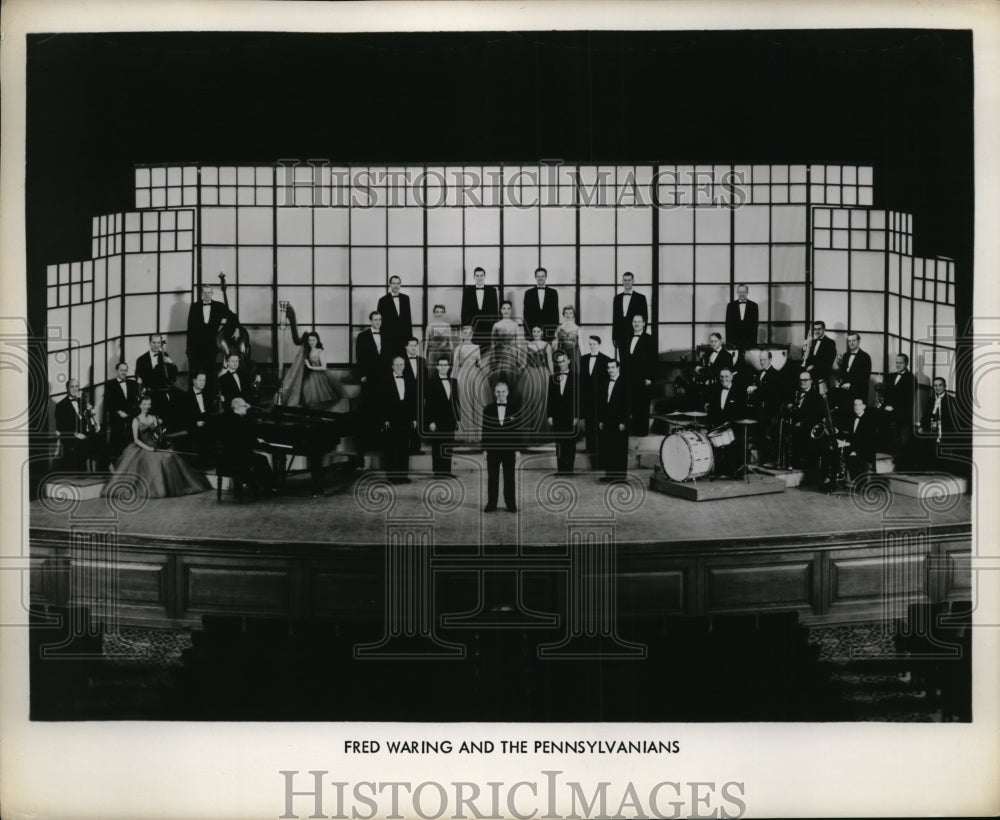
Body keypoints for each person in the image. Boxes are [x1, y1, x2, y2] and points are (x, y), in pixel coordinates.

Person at [104, 395, 209, 498]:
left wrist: (160, 431)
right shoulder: (136, 420)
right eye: (144, 404)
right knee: (153, 461)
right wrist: (148, 448)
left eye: (149, 404)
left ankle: (169, 487)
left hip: (156, 445)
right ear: (140, 405)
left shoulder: (154, 418)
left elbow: (159, 434)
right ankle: (158, 489)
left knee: (170, 456)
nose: (147, 407)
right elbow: (136, 439)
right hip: (143, 447)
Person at [221, 397, 275, 495]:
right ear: (236, 408)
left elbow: (244, 438)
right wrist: (257, 441)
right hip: (239, 456)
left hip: (229, 456)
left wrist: (253, 440)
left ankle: (255, 486)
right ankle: (268, 488)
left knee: (257, 459)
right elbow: (245, 439)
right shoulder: (239, 421)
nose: (246, 408)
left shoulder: (230, 419)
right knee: (262, 459)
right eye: (244, 406)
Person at [481, 381, 519, 512]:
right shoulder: (488, 409)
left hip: (509, 449)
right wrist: (484, 449)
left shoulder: (515, 408)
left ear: (507, 393)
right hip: (493, 449)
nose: (501, 394)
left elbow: (518, 430)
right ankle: (492, 504)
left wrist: (518, 449)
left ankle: (511, 504)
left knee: (510, 478)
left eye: (503, 391)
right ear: (494, 393)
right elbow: (484, 430)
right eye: (498, 392)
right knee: (492, 478)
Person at [279, 330, 341, 409]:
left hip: (320, 377)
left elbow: (324, 367)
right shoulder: (306, 351)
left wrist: (310, 367)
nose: (311, 342)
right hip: (309, 376)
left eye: (313, 340)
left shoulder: (320, 351)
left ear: (317, 340)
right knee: (306, 394)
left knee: (319, 399)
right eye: (309, 340)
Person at [744, 350, 786, 467]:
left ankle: (772, 460)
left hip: (771, 412)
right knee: (760, 435)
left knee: (771, 436)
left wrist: (756, 390)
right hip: (759, 411)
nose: (762, 362)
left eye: (764, 359)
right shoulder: (758, 374)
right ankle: (762, 460)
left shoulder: (777, 375)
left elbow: (774, 394)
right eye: (760, 360)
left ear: (770, 360)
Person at [355, 311, 386, 463]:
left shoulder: (387, 334)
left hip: (384, 379)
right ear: (370, 321)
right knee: (368, 410)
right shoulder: (362, 336)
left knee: (382, 409)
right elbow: (359, 357)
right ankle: (365, 445)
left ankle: (380, 444)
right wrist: (362, 375)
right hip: (369, 378)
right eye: (375, 319)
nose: (378, 322)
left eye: (380, 319)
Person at [380, 356, 417, 484]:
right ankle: (392, 476)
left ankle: (403, 476)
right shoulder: (385, 380)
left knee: (403, 447)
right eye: (397, 365)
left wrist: (414, 418)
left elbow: (413, 401)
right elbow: (382, 402)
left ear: (405, 366)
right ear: (392, 366)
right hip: (391, 418)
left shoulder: (409, 380)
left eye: (402, 364)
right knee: (392, 447)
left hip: (405, 417)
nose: (400, 367)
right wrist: (385, 419)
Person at [186, 284, 228, 391]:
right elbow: (190, 328)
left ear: (212, 293)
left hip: (212, 346)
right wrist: (188, 347)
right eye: (205, 292)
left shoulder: (219, 306)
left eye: (209, 292)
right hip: (197, 347)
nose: (207, 295)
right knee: (197, 373)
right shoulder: (194, 306)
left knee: (210, 374)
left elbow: (231, 317)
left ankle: (209, 396)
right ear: (201, 294)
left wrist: (236, 328)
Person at [423, 355, 459, 478]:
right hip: (437, 420)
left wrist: (458, 419)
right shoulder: (432, 382)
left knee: (448, 446)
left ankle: (447, 471)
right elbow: (428, 404)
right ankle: (438, 472)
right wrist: (430, 421)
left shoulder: (454, 382)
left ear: (448, 367)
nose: (443, 367)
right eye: (441, 365)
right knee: (437, 446)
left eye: (445, 365)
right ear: (438, 367)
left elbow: (456, 402)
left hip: (450, 420)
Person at [705, 368, 744, 477]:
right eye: (721, 377)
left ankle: (732, 471)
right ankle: (718, 470)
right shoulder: (715, 389)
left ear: (731, 377)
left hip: (733, 428)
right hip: (718, 426)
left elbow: (741, 411)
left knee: (732, 449)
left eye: (726, 376)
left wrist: (729, 424)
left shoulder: (739, 391)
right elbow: (713, 409)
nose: (724, 379)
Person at [579, 335, 612, 464]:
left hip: (599, 399)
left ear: (599, 344)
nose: (592, 346)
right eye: (590, 344)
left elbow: (606, 381)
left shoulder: (605, 359)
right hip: (587, 398)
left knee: (600, 424)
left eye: (594, 344)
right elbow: (582, 379)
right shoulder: (583, 359)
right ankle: (590, 449)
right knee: (589, 424)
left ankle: (601, 452)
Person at [55, 379, 101, 472]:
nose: (74, 389)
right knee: (83, 445)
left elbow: (89, 421)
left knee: (100, 439)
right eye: (72, 386)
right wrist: (76, 434)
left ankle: (107, 469)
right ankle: (81, 473)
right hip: (71, 436)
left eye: (76, 386)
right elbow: (61, 427)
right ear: (67, 388)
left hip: (84, 434)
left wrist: (91, 414)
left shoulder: (83, 402)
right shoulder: (60, 405)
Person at [788, 371, 826, 485]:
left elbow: (816, 416)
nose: (802, 382)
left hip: (808, 429)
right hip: (795, 427)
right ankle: (792, 465)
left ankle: (809, 477)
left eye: (805, 380)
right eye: (801, 380)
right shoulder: (796, 393)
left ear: (810, 381)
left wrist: (803, 423)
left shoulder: (816, 397)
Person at [620, 314, 655, 435]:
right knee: (630, 403)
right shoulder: (627, 337)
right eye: (634, 322)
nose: (636, 324)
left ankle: (642, 431)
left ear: (644, 323)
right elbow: (624, 358)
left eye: (639, 322)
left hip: (643, 377)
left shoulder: (649, 339)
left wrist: (649, 377)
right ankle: (632, 429)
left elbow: (653, 360)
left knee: (643, 404)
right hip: (628, 377)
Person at [880, 353, 916, 470]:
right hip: (889, 414)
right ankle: (888, 465)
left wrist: (893, 407)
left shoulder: (911, 378)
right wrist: (884, 405)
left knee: (902, 442)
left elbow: (908, 400)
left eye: (901, 363)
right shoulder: (890, 377)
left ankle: (900, 467)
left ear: (906, 363)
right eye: (896, 362)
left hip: (903, 415)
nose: (898, 365)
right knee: (889, 439)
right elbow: (885, 395)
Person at [598, 360, 630, 482]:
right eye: (608, 368)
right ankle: (609, 475)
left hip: (619, 422)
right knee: (608, 447)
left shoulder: (625, 382)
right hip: (607, 420)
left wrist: (624, 422)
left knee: (620, 448)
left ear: (618, 368)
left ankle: (621, 477)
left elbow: (627, 404)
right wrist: (601, 420)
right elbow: (602, 403)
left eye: (613, 367)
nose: (610, 370)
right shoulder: (605, 382)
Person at [135, 334, 179, 420]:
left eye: (159, 343)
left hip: (164, 391)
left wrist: (171, 363)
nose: (156, 345)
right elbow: (138, 378)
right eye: (154, 342)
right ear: (150, 343)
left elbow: (173, 377)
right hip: (150, 392)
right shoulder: (141, 359)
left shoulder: (164, 355)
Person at [547, 350, 577, 474]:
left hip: (570, 416)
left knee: (570, 443)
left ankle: (569, 469)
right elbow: (550, 398)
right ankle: (561, 469)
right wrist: (549, 415)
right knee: (559, 443)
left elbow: (578, 399)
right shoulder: (553, 378)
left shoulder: (576, 377)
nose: (561, 364)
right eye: (559, 362)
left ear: (568, 361)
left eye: (563, 361)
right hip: (557, 416)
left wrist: (577, 416)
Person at [918, 376, 957, 470]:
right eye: (935, 385)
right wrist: (922, 426)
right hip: (932, 429)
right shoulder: (931, 399)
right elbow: (926, 416)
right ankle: (927, 468)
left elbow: (953, 420)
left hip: (946, 430)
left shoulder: (951, 400)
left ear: (945, 386)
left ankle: (941, 468)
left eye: (940, 385)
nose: (937, 388)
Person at [453, 325, 483, 443]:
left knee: (474, 403)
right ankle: (463, 433)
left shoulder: (477, 347)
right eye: (465, 332)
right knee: (463, 403)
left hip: (474, 377)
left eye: (469, 332)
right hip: (462, 376)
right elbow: (455, 366)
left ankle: (475, 433)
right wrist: (452, 379)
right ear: (462, 334)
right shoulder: (458, 348)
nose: (467, 334)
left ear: (472, 334)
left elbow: (479, 363)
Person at [522, 325, 553, 435]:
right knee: (531, 400)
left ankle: (543, 429)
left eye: (538, 331)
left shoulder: (546, 345)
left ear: (541, 333)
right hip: (530, 373)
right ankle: (532, 429)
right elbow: (525, 361)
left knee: (543, 401)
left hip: (543, 374)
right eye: (534, 331)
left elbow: (550, 362)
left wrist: (552, 375)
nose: (535, 333)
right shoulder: (527, 345)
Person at [104, 361, 139, 461]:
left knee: (131, 439)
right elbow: (108, 403)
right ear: (117, 371)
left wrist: (133, 414)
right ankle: (117, 463)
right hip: (117, 417)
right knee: (117, 441)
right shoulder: (110, 384)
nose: (123, 372)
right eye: (121, 370)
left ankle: (131, 462)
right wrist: (118, 412)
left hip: (131, 416)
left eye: (125, 370)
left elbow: (136, 401)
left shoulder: (133, 383)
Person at [835, 332, 872, 422]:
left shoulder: (865, 357)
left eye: (853, 341)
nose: (851, 343)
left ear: (859, 341)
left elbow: (864, 377)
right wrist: (838, 380)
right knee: (845, 416)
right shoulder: (846, 355)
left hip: (858, 392)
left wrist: (850, 383)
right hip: (845, 393)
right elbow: (842, 372)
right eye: (849, 341)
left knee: (857, 419)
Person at [838, 397, 878, 481]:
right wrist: (841, 440)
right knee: (837, 452)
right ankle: (840, 480)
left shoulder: (869, 420)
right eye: (855, 405)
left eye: (859, 405)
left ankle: (859, 483)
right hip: (855, 446)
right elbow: (851, 436)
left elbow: (866, 440)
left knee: (851, 456)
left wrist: (847, 444)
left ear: (864, 406)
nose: (856, 407)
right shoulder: (853, 418)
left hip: (865, 449)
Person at [461, 267, 500, 351]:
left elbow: (495, 311)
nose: (479, 278)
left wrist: (494, 328)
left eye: (481, 275)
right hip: (472, 329)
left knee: (487, 352)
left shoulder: (492, 290)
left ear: (484, 276)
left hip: (487, 329)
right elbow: (463, 311)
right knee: (472, 353)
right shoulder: (467, 291)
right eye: (477, 276)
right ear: (474, 277)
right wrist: (466, 328)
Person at [376, 275, 413, 359]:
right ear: (390, 285)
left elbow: (408, 320)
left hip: (403, 339)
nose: (396, 285)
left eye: (398, 283)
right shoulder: (382, 300)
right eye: (393, 283)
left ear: (400, 285)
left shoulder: (406, 299)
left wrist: (410, 339)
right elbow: (379, 322)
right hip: (388, 339)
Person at [612, 271, 649, 353]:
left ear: (633, 281)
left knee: (635, 359)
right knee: (623, 359)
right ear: (622, 282)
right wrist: (614, 337)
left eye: (629, 280)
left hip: (635, 333)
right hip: (621, 335)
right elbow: (615, 318)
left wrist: (642, 336)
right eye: (625, 280)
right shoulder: (617, 298)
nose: (627, 282)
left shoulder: (641, 298)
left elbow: (645, 318)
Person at [181, 371, 213, 466]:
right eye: (200, 380)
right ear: (194, 381)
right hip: (192, 430)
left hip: (206, 428)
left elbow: (209, 413)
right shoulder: (185, 397)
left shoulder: (208, 396)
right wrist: (195, 423)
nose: (202, 382)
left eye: (204, 380)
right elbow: (183, 418)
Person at [402, 337, 427, 454]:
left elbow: (425, 380)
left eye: (415, 345)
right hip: (405, 396)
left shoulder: (422, 361)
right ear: (406, 347)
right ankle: (405, 447)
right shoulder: (401, 361)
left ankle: (416, 448)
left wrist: (425, 396)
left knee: (419, 420)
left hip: (419, 397)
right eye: (411, 345)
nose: (413, 348)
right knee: (407, 420)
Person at [522, 267, 559, 342]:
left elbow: (555, 314)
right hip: (533, 332)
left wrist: (552, 331)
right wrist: (528, 332)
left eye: (542, 276)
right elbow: (526, 314)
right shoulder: (528, 293)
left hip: (548, 331)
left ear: (546, 277)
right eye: (538, 276)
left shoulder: (553, 292)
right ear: (535, 277)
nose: (540, 278)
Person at [724, 283, 759, 354]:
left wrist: (753, 343)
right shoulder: (730, 306)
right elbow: (728, 325)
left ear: (747, 292)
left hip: (749, 342)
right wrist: (729, 342)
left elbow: (755, 326)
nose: (742, 294)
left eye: (744, 292)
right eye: (740, 292)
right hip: (734, 341)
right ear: (737, 292)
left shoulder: (754, 306)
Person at [802, 320, 837, 387]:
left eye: (819, 329)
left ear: (824, 329)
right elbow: (808, 358)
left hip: (822, 375)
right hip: (810, 374)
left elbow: (828, 361)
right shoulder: (813, 342)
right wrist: (806, 348)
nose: (817, 331)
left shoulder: (830, 342)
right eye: (815, 329)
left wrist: (813, 366)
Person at [424, 304, 454, 370]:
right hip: (433, 353)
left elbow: (450, 342)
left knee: (445, 372)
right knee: (432, 373)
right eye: (437, 312)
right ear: (434, 313)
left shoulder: (447, 326)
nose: (439, 314)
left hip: (445, 353)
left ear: (444, 313)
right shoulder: (429, 326)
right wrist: (424, 357)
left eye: (441, 312)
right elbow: (426, 343)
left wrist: (452, 356)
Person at [554, 305, 582, 373]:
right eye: (566, 313)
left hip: (574, 354)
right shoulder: (559, 328)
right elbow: (556, 343)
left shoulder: (578, 328)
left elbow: (581, 345)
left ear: (573, 315)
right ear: (563, 314)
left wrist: (583, 358)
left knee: (574, 371)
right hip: (562, 352)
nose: (568, 315)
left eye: (570, 313)